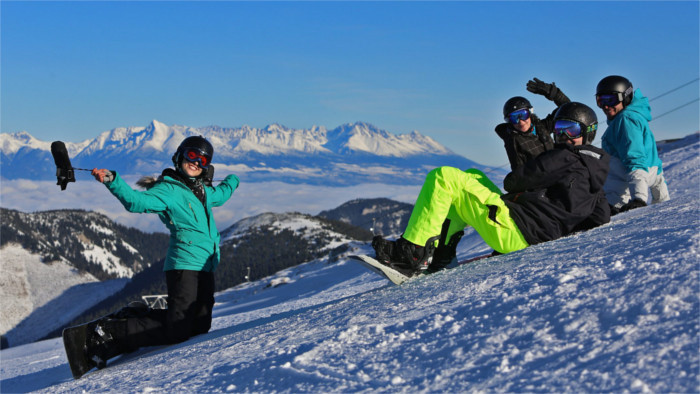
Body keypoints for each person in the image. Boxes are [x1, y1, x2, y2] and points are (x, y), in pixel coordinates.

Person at [372, 102, 610, 276]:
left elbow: (512, 183)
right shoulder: (596, 174)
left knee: (443, 177)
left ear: (587, 132)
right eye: (560, 128)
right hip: (524, 232)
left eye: (572, 130)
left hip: (513, 229)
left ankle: (411, 254)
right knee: (473, 177)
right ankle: (442, 255)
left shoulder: (563, 157)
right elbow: (601, 217)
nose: (564, 136)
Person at [78, 136, 240, 372]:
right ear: (180, 157)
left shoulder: (203, 190)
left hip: (206, 264)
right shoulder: (168, 190)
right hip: (183, 264)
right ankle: (108, 333)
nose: (196, 162)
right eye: (191, 156)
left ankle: (137, 316)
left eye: (202, 159)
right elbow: (135, 202)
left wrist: (234, 180)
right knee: (178, 329)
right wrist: (113, 181)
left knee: (200, 326)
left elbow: (221, 195)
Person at [595, 75, 670, 214]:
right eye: (600, 100)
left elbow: (635, 160)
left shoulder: (625, 120)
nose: (605, 106)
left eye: (611, 100)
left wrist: (639, 199)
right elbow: (655, 168)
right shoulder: (634, 117)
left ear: (626, 97)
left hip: (616, 201)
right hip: (618, 197)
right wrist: (662, 201)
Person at [495, 78, 571, 170]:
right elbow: (520, 173)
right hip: (543, 181)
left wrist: (552, 92)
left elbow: (568, 109)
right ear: (509, 121)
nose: (521, 121)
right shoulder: (514, 140)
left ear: (530, 113)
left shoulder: (542, 127)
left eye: (523, 115)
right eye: (514, 118)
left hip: (560, 174)